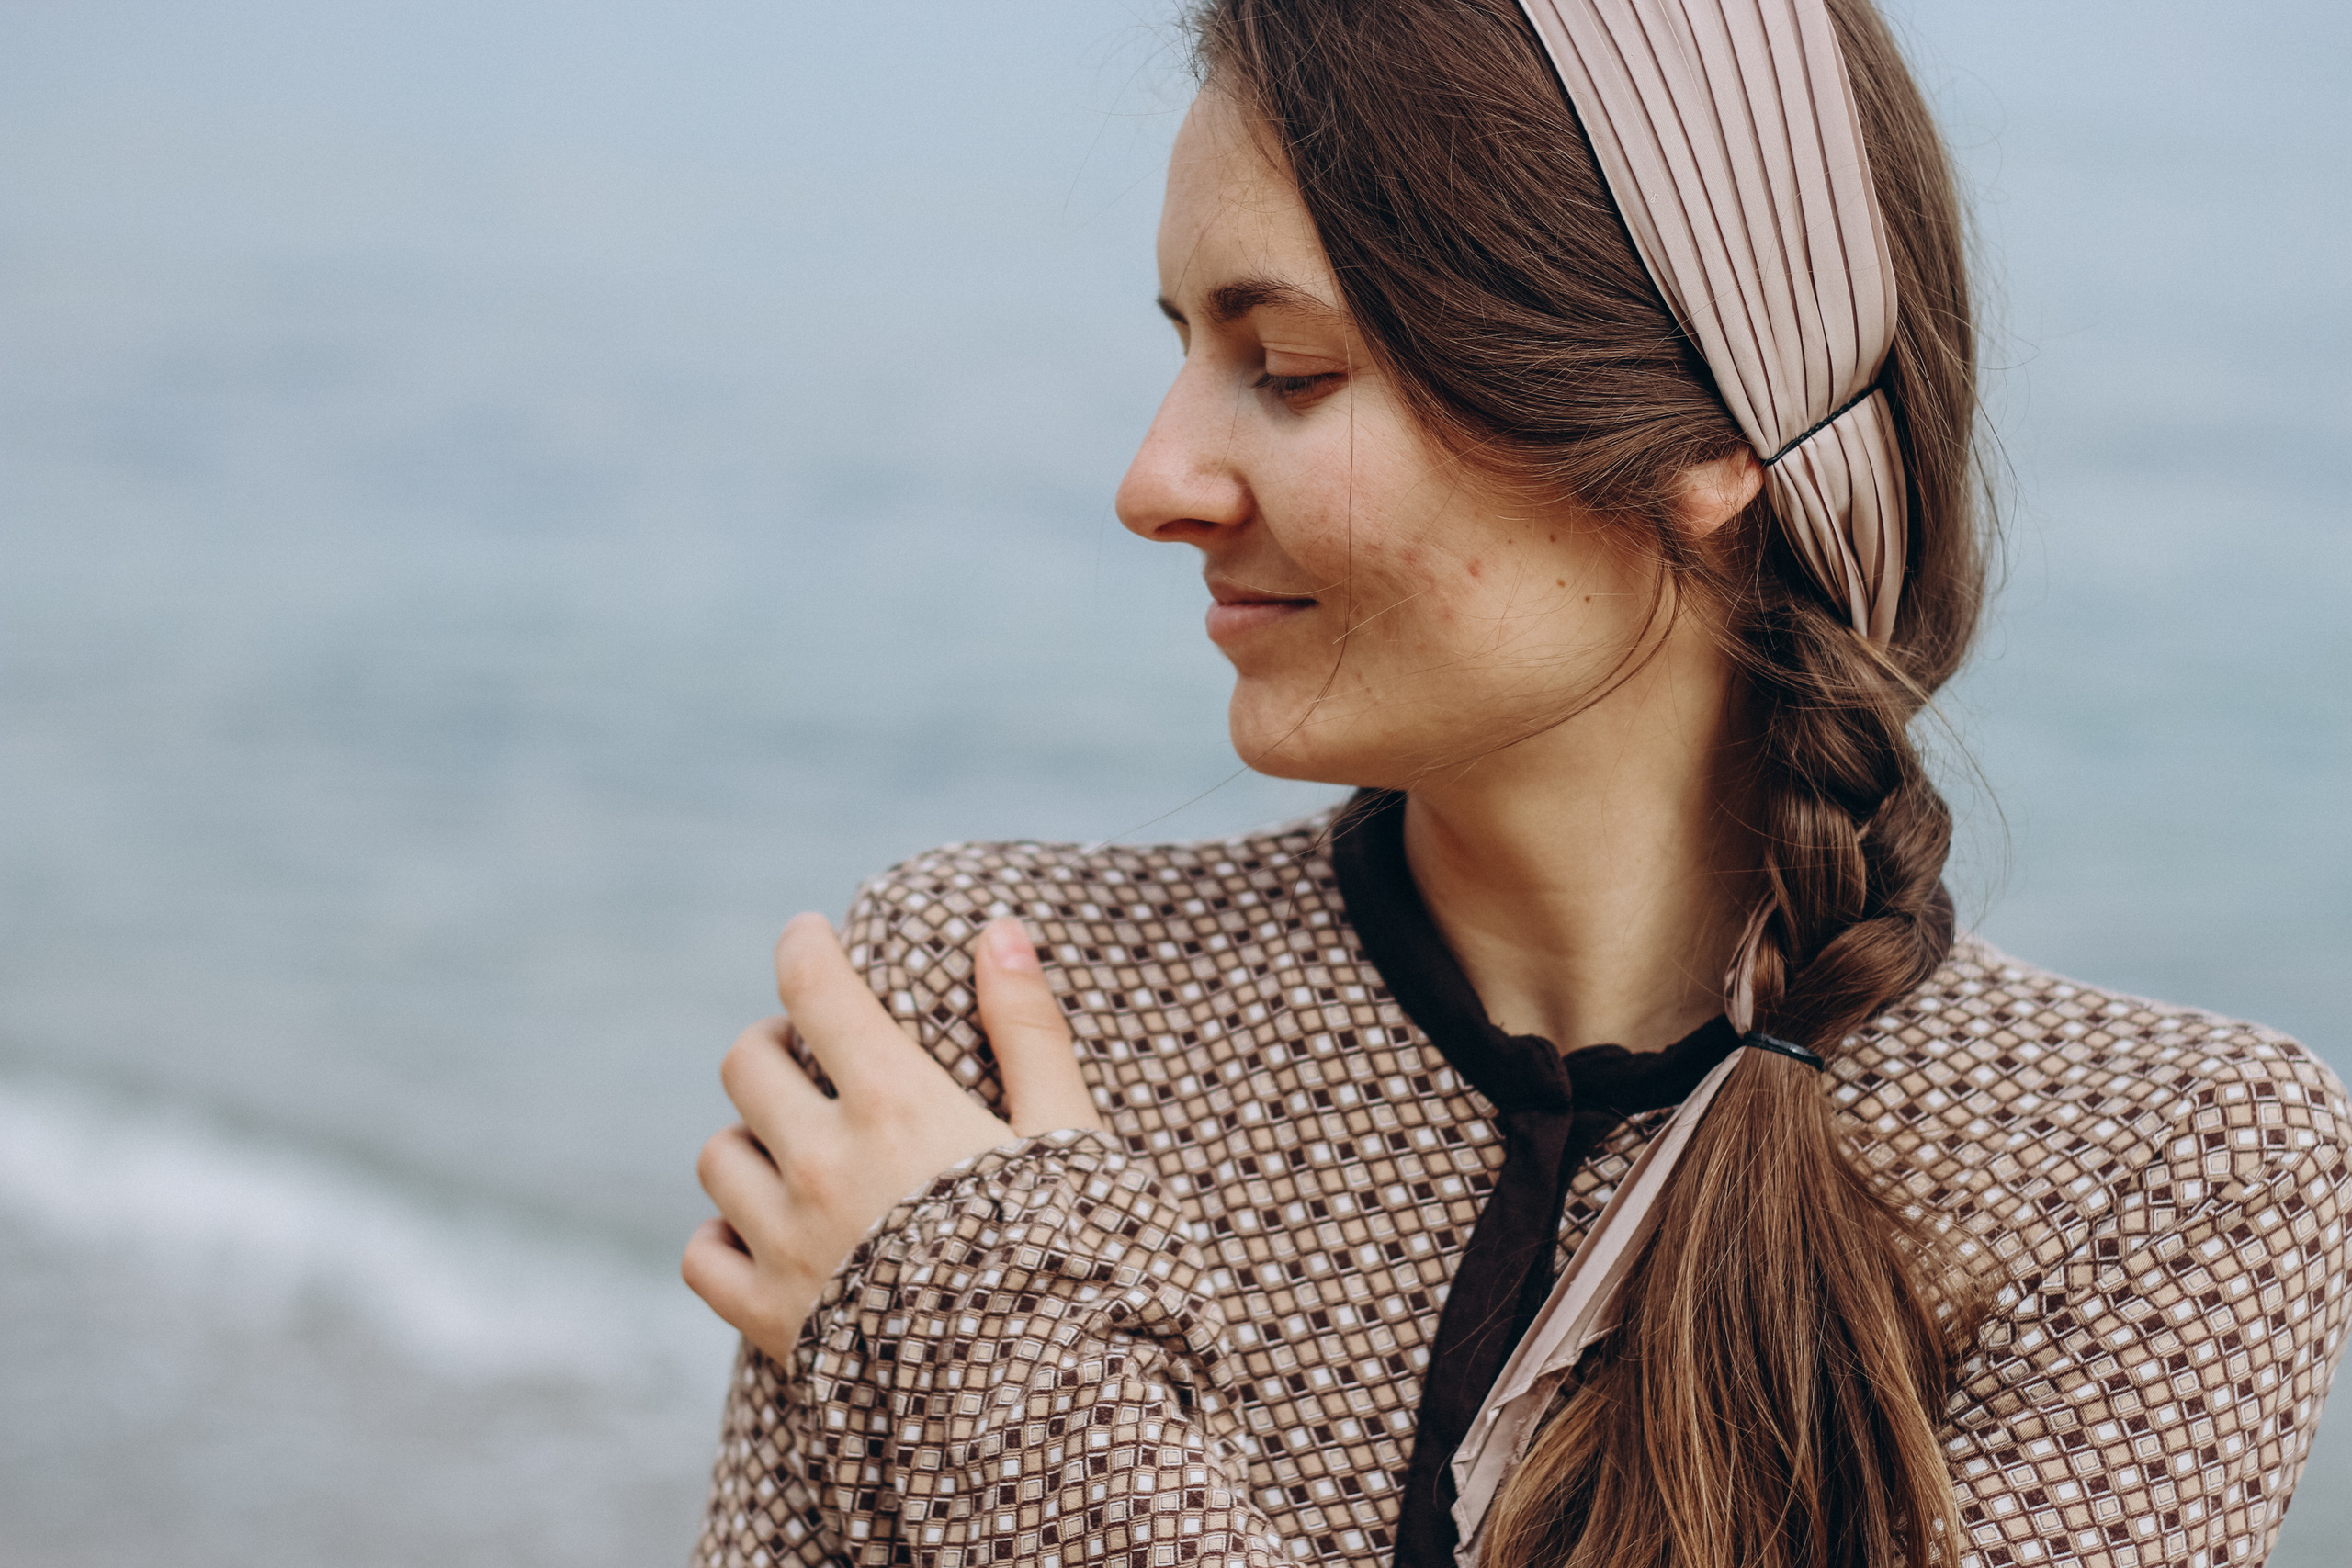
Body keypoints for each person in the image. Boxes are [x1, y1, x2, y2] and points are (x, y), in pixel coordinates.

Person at [679, 1, 2350, 1563]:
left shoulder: (2170, 1180)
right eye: (1186, 345)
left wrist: (995, 1354)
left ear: (1702, 442)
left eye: (1292, 369)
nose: (1156, 480)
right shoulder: (988, 1003)